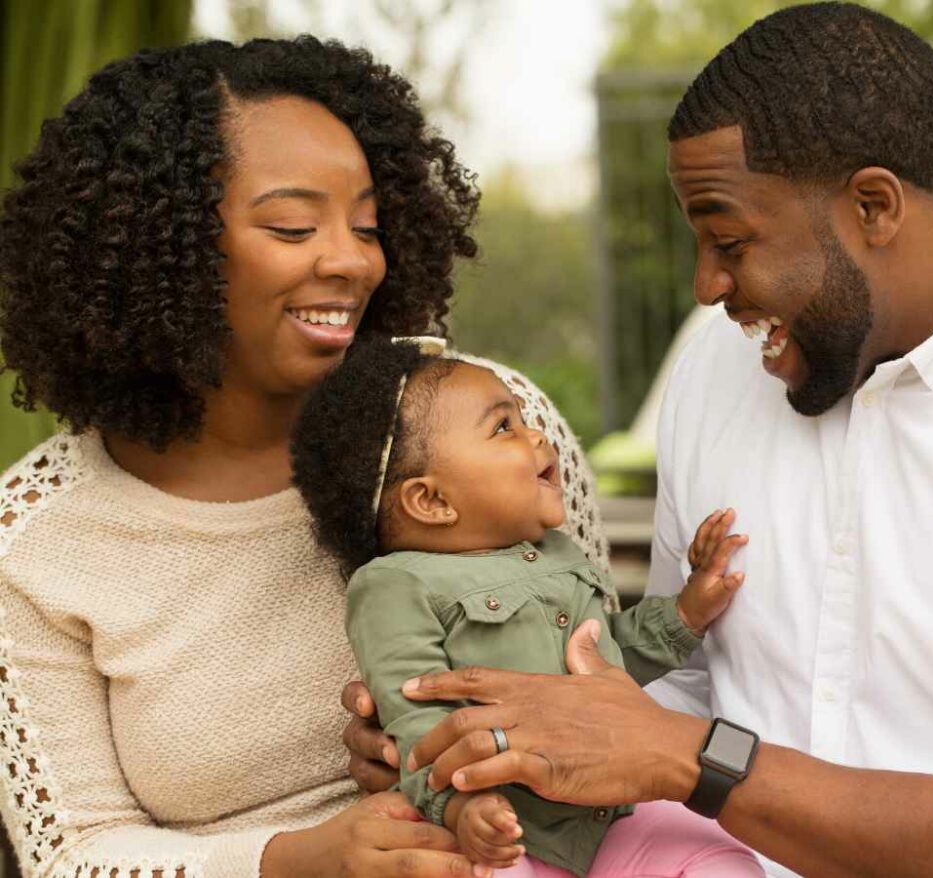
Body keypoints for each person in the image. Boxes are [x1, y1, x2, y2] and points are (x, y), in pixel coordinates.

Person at [340, 4, 933, 877]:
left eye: (729, 240)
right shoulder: (718, 367)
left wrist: (694, 758)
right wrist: (475, 734)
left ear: (875, 206)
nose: (705, 288)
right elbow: (672, 690)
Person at [0, 35, 605, 878]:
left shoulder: (493, 425)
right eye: (293, 226)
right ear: (151, 246)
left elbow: (605, 679)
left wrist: (453, 744)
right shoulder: (31, 542)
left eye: (367, 223)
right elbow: (73, 853)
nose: (353, 260)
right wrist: (299, 860)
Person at [288, 334, 762, 877]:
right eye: (503, 427)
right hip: (502, 833)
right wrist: (462, 807)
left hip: (611, 817)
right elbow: (416, 721)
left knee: (714, 857)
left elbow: (607, 663)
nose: (536, 435)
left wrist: (686, 613)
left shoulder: (557, 552)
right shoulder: (394, 586)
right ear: (432, 500)